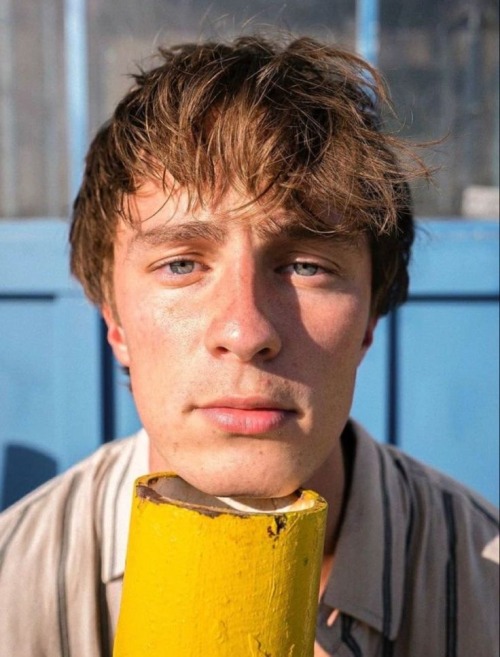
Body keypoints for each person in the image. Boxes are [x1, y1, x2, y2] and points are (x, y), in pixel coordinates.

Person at [0, 35, 498, 657]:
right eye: (181, 264)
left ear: (369, 317)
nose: (246, 332)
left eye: (307, 266)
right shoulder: (12, 586)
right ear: (115, 320)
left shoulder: (485, 585)